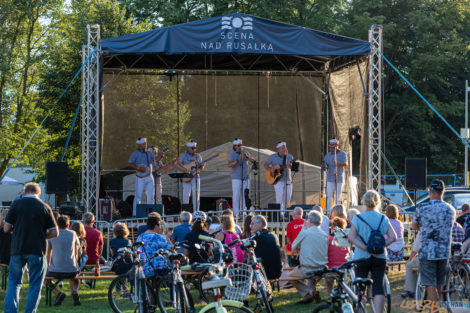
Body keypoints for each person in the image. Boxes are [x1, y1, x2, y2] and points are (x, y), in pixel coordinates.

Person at [3, 182, 58, 313]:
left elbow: (6, 228)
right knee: (35, 285)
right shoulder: (44, 206)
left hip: (17, 249)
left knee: (14, 283)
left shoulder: (16, 204)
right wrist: (42, 235)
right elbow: (55, 232)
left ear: (24, 192)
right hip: (37, 250)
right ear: (39, 193)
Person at [348, 190, 397, 313]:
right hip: (380, 257)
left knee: (360, 288)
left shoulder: (358, 218)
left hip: (361, 257)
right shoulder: (383, 218)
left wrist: (365, 247)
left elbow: (351, 237)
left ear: (364, 201)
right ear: (378, 202)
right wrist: (381, 246)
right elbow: (393, 237)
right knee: (378, 288)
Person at [412, 179, 455, 305]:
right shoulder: (451, 209)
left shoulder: (422, 208)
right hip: (444, 251)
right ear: (443, 191)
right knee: (439, 283)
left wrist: (425, 227)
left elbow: (414, 226)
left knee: (429, 284)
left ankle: (434, 310)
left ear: (429, 191)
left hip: (427, 251)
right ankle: (435, 307)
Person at [285, 211, 328, 304]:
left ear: (309, 220)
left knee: (289, 276)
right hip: (322, 268)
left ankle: (309, 292)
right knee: (311, 275)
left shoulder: (305, 233)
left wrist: (300, 249)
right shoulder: (325, 235)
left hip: (307, 268)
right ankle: (309, 295)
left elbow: (293, 247)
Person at [45, 215, 81, 306]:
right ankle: (75, 292)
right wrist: (75, 265)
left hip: (56, 270)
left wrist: (47, 267)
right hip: (72, 270)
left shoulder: (52, 234)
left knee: (45, 280)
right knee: (76, 277)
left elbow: (48, 254)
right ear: (68, 225)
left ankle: (58, 293)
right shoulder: (73, 234)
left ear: (57, 224)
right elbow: (76, 253)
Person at [137, 213, 171, 277]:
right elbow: (171, 250)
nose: (160, 228)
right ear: (156, 226)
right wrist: (168, 238)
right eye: (160, 225)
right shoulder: (158, 237)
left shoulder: (140, 237)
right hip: (156, 269)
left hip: (142, 269)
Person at [227, 138, 255, 215]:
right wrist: (238, 159)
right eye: (238, 145)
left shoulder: (245, 152)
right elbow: (229, 165)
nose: (240, 147)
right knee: (236, 195)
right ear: (235, 146)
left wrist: (247, 157)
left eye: (241, 145)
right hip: (236, 177)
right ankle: (236, 213)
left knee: (244, 195)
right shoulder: (232, 154)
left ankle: (243, 213)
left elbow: (253, 160)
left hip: (245, 177)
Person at [128, 137, 156, 215]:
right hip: (140, 177)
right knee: (138, 196)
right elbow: (130, 163)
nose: (145, 145)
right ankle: (135, 213)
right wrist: (138, 168)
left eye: (145, 144)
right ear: (139, 145)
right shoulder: (135, 153)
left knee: (151, 195)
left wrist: (159, 157)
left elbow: (154, 161)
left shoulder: (149, 153)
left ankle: (151, 213)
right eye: (143, 144)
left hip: (149, 176)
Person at [250, 215, 282, 280]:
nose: (250, 226)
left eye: (252, 223)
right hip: (277, 272)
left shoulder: (257, 238)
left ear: (260, 224)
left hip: (264, 273)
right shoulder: (273, 235)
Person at [176, 141, 205, 211]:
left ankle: (196, 212)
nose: (194, 149)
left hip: (195, 177)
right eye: (192, 148)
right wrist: (185, 170)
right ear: (188, 148)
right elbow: (177, 164)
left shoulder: (198, 156)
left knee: (196, 195)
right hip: (186, 177)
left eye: (194, 148)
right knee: (185, 196)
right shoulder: (184, 155)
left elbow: (201, 168)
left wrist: (202, 166)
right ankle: (185, 213)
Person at [264, 141, 294, 210]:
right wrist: (270, 169)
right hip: (278, 180)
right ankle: (280, 215)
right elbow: (265, 164)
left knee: (288, 198)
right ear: (278, 149)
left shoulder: (289, 156)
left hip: (288, 179)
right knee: (279, 198)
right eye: (283, 148)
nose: (284, 149)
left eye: (285, 147)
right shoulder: (273, 156)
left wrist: (290, 165)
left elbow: (292, 166)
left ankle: (284, 211)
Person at [323, 138, 348, 214]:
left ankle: (337, 213)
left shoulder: (342, 154)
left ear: (337, 145)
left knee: (338, 197)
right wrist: (324, 165)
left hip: (339, 177)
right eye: (330, 146)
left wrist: (337, 162)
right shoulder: (328, 155)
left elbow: (346, 164)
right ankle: (328, 213)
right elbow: (324, 164)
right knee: (329, 196)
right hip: (330, 177)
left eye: (333, 146)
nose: (332, 148)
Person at [326, 217, 349, 294]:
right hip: (344, 267)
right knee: (343, 280)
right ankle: (343, 292)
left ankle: (330, 294)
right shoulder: (346, 239)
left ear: (332, 227)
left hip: (331, 268)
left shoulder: (329, 239)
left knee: (328, 280)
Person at [401, 231, 421, 298]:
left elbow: (416, 248)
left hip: (426, 260)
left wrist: (410, 259)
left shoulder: (424, 228)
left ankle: (411, 290)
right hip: (445, 259)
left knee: (409, 265)